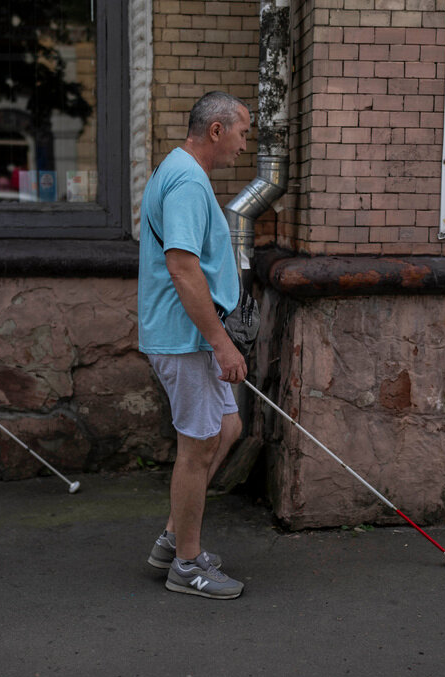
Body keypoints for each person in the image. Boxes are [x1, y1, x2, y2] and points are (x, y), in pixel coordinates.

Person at [138, 91, 251, 599]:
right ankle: (186, 565)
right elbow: (182, 267)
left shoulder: (180, 172)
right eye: (242, 133)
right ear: (216, 130)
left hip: (188, 336)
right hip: (187, 339)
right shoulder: (186, 179)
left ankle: (172, 536)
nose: (244, 145)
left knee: (227, 428)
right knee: (198, 446)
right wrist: (221, 342)